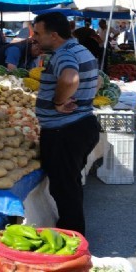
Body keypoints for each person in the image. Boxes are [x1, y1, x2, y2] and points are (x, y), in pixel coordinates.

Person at [32, 12, 100, 235]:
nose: (35, 38)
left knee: (65, 189)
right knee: (70, 185)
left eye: (38, 33)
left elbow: (70, 78)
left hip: (65, 131)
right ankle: (73, 232)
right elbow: (98, 79)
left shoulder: (63, 55)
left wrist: (58, 101)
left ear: (53, 35)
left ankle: (72, 240)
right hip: (81, 125)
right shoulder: (81, 49)